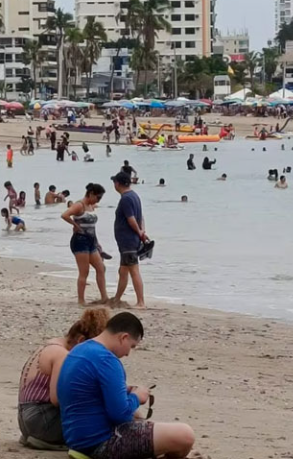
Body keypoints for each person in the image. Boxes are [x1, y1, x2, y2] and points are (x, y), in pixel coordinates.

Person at [57, 312, 195, 459]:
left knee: (144, 422)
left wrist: (123, 391)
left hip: (76, 440)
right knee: (185, 435)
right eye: (132, 346)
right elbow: (120, 415)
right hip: (99, 444)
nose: (128, 353)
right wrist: (137, 397)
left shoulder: (80, 349)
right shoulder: (107, 360)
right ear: (124, 337)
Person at [18, 308, 110, 451]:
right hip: (42, 419)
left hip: (26, 417)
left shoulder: (51, 344)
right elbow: (57, 399)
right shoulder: (63, 356)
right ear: (80, 340)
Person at [61, 183, 109, 306]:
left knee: (101, 268)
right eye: (98, 197)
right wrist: (75, 225)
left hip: (91, 241)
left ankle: (104, 297)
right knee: (84, 272)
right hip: (80, 241)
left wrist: (97, 243)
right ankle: (81, 300)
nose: (98, 200)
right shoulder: (79, 205)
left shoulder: (91, 206)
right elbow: (64, 215)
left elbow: (92, 228)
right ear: (91, 193)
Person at [110, 172, 148, 309]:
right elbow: (141, 217)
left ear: (118, 184)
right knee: (123, 271)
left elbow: (131, 219)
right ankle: (117, 298)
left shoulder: (126, 198)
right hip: (129, 240)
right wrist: (142, 232)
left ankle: (141, 302)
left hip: (128, 240)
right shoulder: (135, 196)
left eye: (114, 182)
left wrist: (139, 232)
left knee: (133, 269)